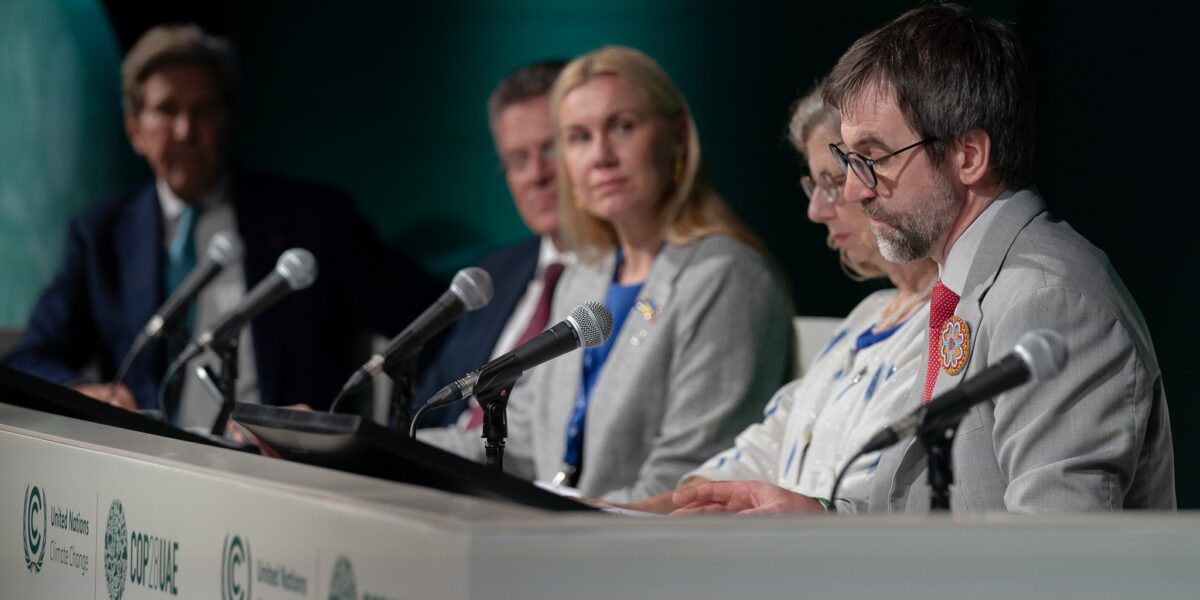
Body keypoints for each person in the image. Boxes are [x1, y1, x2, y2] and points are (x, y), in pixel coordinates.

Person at [680, 4, 1175, 513]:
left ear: (968, 156)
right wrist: (818, 520)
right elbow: (921, 513)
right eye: (849, 160)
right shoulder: (966, 284)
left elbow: (1052, 556)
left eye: (871, 159)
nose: (854, 188)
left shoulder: (1050, 302)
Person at [3, 25, 440, 426]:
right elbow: (30, 358)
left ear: (227, 123)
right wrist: (85, 392)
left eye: (203, 110)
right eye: (166, 110)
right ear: (135, 130)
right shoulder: (101, 236)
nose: (185, 130)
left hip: (279, 471)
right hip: (144, 471)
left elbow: (435, 320)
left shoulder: (315, 221)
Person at [421, 46, 794, 502]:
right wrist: (379, 443)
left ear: (677, 136)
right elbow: (520, 442)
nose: (601, 156)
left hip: (637, 556)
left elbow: (689, 480)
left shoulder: (727, 277)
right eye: (578, 137)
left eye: (622, 127)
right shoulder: (585, 278)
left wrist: (560, 523)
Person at [622, 83, 938, 515]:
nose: (818, 210)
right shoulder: (868, 315)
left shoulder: (946, 319)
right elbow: (770, 441)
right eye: (816, 186)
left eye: (836, 180)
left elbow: (884, 493)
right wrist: (632, 512)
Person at [415, 59, 569, 429]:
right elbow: (425, 414)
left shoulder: (627, 280)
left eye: (551, 150)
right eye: (518, 160)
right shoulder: (494, 272)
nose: (536, 176)